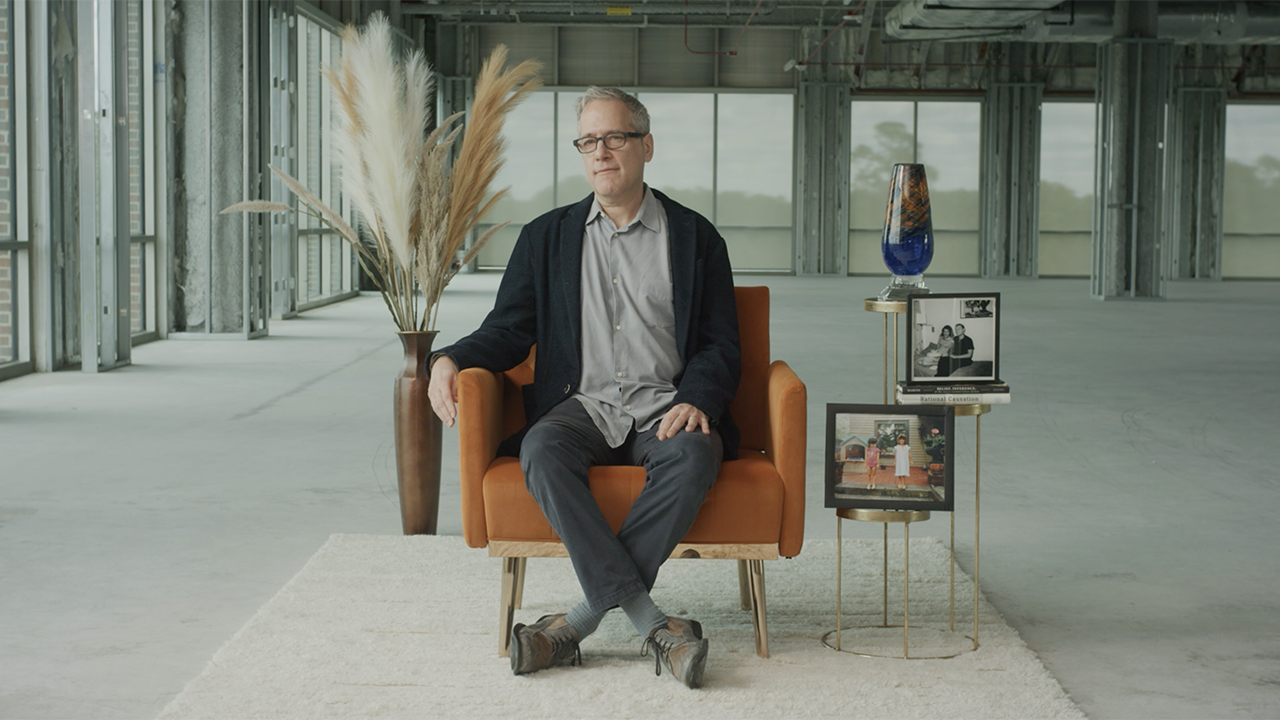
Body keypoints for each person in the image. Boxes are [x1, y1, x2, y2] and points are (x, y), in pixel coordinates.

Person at [426, 87, 740, 690]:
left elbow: (722, 343)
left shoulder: (697, 239)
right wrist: (449, 357)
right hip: (583, 406)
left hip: (664, 407)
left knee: (698, 451)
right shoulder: (546, 237)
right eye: (589, 141)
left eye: (615, 137)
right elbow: (509, 329)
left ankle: (570, 626)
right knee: (540, 448)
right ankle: (653, 624)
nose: (601, 152)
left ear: (645, 146)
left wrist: (697, 397)